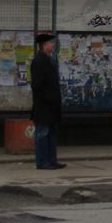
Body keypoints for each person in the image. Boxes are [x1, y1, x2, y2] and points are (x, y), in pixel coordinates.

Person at [30, 32, 66, 170]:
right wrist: (49, 99)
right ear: (44, 45)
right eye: (51, 43)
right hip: (44, 107)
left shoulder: (49, 59)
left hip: (51, 106)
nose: (53, 45)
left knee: (51, 135)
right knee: (42, 134)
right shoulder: (39, 61)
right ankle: (42, 162)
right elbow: (37, 86)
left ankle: (51, 160)